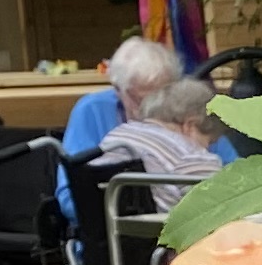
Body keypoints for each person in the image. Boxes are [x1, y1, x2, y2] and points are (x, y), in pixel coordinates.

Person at [58, 36, 180, 167]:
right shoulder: (92, 109)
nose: (153, 109)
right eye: (142, 100)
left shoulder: (185, 108)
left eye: (162, 98)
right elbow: (69, 182)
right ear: (118, 89)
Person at [96, 74, 226, 183]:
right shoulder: (193, 157)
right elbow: (222, 208)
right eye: (209, 142)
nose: (208, 149)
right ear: (190, 125)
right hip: (164, 214)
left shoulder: (116, 137)